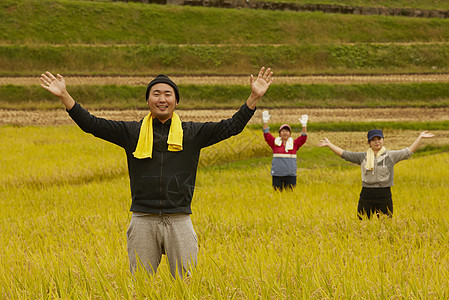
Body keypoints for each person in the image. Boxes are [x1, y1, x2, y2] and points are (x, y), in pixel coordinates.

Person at [40, 67, 274, 279]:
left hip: (179, 219)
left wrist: (254, 97)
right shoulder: (131, 132)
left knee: (187, 285)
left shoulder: (192, 133)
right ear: (148, 100)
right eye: (156, 94)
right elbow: (91, 124)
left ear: (176, 101)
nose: (162, 99)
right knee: (140, 285)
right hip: (142, 219)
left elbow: (232, 126)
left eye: (168, 94)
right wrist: (64, 96)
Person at [318, 129, 434, 219]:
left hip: (384, 194)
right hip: (367, 194)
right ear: (369, 142)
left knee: (385, 225)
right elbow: (345, 154)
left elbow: (408, 152)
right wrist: (329, 144)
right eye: (373, 140)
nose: (376, 141)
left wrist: (420, 138)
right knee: (362, 223)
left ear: (383, 140)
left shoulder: (390, 156)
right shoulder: (362, 157)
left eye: (379, 139)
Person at [262, 111, 308, 191]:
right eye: (283, 131)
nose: (285, 133)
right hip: (277, 175)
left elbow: (303, 138)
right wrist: (265, 121)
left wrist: (304, 125)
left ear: (290, 134)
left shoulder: (294, 144)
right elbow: (266, 134)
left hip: (290, 175)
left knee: (290, 196)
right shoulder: (275, 143)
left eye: (287, 131)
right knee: (277, 195)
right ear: (280, 133)